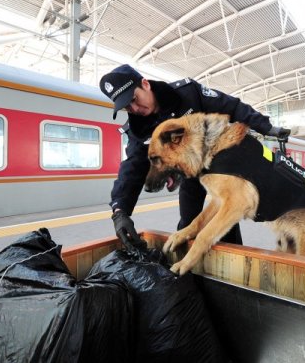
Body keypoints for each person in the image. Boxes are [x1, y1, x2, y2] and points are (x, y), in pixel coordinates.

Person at [99, 64, 290, 250]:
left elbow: (231, 106)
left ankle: (233, 264)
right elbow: (132, 168)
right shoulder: (138, 130)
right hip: (191, 175)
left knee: (225, 217)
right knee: (188, 223)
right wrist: (120, 211)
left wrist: (266, 127)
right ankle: (192, 272)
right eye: (127, 107)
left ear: (146, 85)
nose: (135, 108)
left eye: (135, 98)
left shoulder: (187, 94)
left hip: (221, 165)